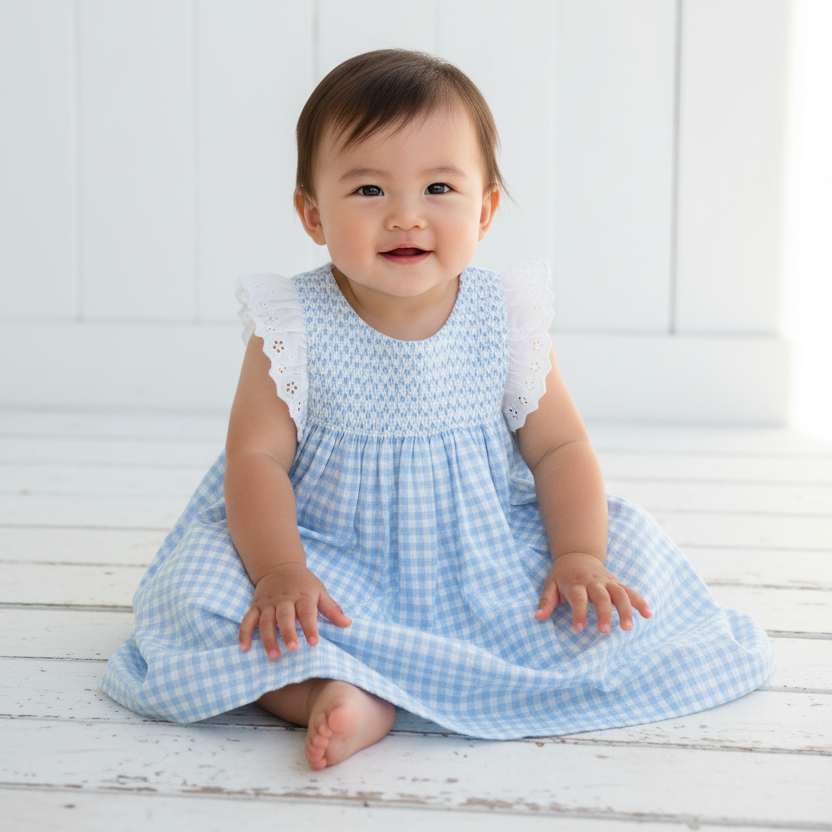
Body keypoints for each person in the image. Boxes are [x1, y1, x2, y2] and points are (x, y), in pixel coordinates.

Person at [101, 49, 775, 771]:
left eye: (439, 187)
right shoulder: (292, 322)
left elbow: (559, 450)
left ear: (484, 210)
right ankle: (338, 691)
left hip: (478, 558)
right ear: (311, 213)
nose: (404, 215)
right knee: (198, 602)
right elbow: (256, 458)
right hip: (326, 557)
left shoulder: (504, 316)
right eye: (366, 189)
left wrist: (579, 555)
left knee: (625, 585)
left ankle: (376, 675)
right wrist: (278, 571)